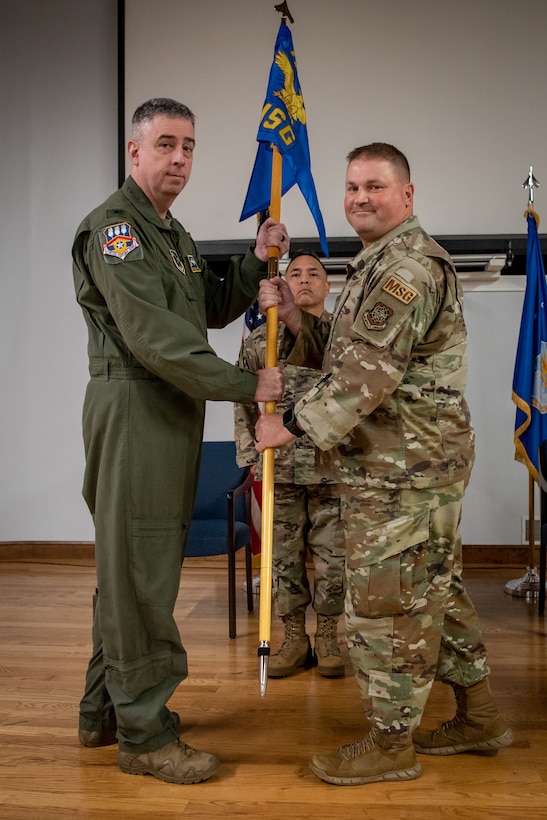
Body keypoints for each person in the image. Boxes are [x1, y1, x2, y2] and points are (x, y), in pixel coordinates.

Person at [254, 143, 514, 786]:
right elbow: (353, 354)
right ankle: (478, 714)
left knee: (386, 602)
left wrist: (287, 426)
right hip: (405, 462)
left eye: (374, 186)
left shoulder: (407, 269)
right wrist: (297, 319)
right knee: (433, 589)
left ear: (407, 194)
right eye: (351, 187)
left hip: (404, 469)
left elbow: (366, 377)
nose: (360, 198)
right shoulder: (379, 261)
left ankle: (392, 743)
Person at [71, 97, 289, 785]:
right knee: (139, 574)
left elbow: (203, 310)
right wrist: (245, 386)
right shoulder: (117, 231)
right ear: (134, 152)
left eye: (189, 147)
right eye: (165, 144)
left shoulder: (171, 234)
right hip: (138, 404)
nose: (179, 159)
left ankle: (104, 711)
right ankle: (143, 733)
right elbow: (157, 340)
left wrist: (253, 266)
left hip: (167, 406)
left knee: (132, 568)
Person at [234, 251, 346, 679]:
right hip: (278, 470)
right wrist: (250, 458)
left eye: (313, 273)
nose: (303, 279)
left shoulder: (342, 336)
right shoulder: (260, 342)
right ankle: (294, 637)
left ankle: (330, 635)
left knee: (334, 559)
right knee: (282, 560)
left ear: (327, 285)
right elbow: (244, 406)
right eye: (293, 273)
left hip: (331, 467)